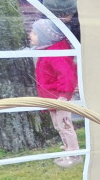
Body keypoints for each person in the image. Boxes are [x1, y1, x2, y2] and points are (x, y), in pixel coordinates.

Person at [32, 19, 80, 167]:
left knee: (65, 126)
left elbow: (66, 75)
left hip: (60, 99)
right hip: (53, 98)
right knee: (59, 126)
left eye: (34, 33)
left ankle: (74, 155)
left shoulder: (56, 54)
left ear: (45, 36)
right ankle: (68, 150)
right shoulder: (47, 51)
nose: (30, 35)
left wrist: (64, 96)